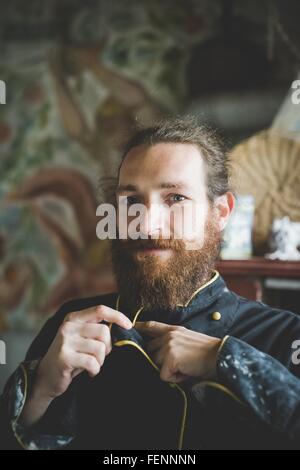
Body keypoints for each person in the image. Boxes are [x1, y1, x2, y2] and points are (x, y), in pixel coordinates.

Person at [1, 118, 300, 450]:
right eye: (131, 201)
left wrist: (226, 359)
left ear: (221, 211)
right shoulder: (70, 326)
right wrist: (41, 388)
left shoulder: (284, 336)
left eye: (174, 198)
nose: (147, 225)